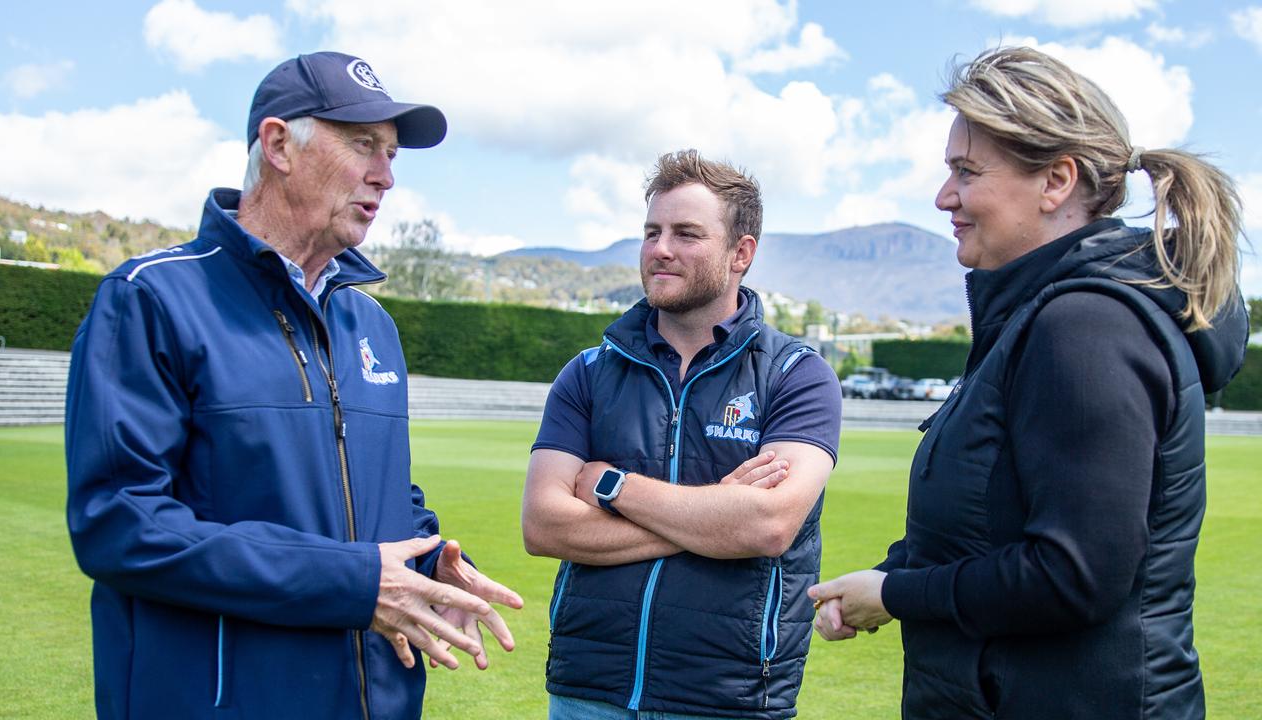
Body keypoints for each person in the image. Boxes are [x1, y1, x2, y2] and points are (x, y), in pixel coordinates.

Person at [65, 51, 523, 720]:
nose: (386, 176)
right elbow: (120, 524)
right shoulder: (151, 300)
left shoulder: (371, 323)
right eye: (364, 145)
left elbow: (382, 496)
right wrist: (355, 583)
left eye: (392, 154)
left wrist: (428, 566)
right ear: (278, 145)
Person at [808, 46, 1248, 719]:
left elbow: (1075, 575)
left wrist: (896, 595)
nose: (943, 196)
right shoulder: (1037, 315)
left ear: (1056, 182)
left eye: (966, 171)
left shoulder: (1085, 327)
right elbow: (989, 525)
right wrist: (891, 578)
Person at [522, 149, 842, 719]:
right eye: (652, 231)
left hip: (727, 696)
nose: (660, 249)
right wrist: (713, 519)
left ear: (741, 253)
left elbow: (767, 524)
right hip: (588, 691)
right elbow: (544, 525)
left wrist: (613, 488)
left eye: (687, 233)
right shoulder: (590, 371)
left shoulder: (797, 375)